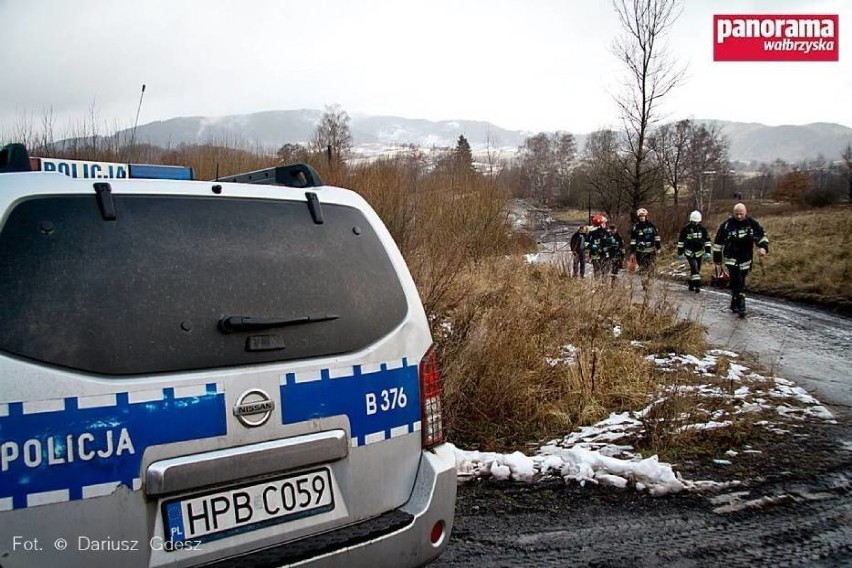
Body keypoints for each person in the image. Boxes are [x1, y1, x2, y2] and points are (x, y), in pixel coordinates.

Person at [712, 202, 769, 316]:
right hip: (731, 257)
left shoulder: (752, 224)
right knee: (736, 279)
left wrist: (763, 248)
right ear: (733, 213)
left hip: (746, 258)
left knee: (741, 281)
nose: (738, 216)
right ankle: (742, 305)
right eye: (736, 214)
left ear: (745, 213)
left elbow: (761, 237)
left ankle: (734, 300)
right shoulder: (727, 225)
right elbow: (718, 244)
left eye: (741, 214)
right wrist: (717, 261)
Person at [676, 210, 712, 293]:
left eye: (696, 222)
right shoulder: (686, 229)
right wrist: (680, 253)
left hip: (699, 252)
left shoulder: (703, 229)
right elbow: (681, 241)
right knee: (694, 267)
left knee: (697, 268)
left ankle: (691, 284)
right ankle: (697, 285)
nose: (695, 223)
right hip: (689, 252)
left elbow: (707, 241)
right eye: (693, 222)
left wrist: (708, 252)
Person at [629, 208, 661, 274]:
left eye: (643, 216)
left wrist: (658, 247)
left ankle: (650, 281)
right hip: (640, 252)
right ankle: (645, 282)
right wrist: (632, 252)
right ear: (638, 217)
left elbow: (657, 237)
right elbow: (633, 240)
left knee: (651, 268)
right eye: (640, 216)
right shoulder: (635, 227)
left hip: (651, 251)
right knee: (643, 268)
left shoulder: (652, 225)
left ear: (646, 216)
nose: (642, 218)